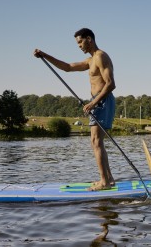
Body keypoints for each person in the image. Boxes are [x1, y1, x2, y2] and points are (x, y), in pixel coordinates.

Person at [33, 28, 117, 191]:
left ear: (89, 39)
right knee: (97, 142)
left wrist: (93, 103)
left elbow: (111, 84)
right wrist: (44, 55)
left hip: (102, 101)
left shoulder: (100, 56)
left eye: (80, 42)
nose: (79, 46)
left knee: (95, 141)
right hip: (97, 101)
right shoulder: (90, 60)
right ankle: (108, 179)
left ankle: (104, 182)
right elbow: (68, 67)